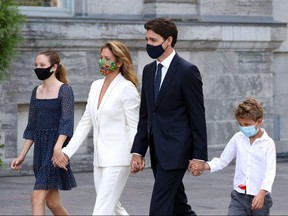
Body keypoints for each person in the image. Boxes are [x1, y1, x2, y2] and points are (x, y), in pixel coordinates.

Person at [130, 17, 208, 215]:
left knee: (159, 207)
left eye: (154, 41)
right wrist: (138, 151)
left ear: (169, 41)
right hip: (157, 150)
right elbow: (146, 115)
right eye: (147, 40)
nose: (149, 45)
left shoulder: (187, 71)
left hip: (177, 150)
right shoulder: (148, 71)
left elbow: (197, 116)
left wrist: (199, 156)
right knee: (178, 205)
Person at [52, 41, 140, 215]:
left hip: (119, 158)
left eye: (107, 59)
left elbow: (134, 126)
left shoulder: (126, 88)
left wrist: (137, 154)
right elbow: (85, 122)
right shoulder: (95, 86)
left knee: (101, 210)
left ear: (120, 62)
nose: (102, 62)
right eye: (101, 58)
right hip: (100, 159)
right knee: (113, 207)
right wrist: (67, 152)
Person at [10, 49, 77, 215]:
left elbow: (67, 122)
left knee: (37, 196)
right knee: (53, 203)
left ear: (53, 67)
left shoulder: (65, 90)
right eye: (36, 65)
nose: (37, 68)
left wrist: (58, 148)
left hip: (55, 151)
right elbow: (32, 126)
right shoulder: (36, 91)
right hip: (40, 150)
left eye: (42, 65)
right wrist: (21, 156)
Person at [190, 98, 276, 215]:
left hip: (260, 198)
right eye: (240, 124)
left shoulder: (268, 143)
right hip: (238, 198)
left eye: (247, 124)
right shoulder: (238, 138)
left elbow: (270, 172)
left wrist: (262, 193)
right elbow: (222, 161)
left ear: (259, 121)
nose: (243, 128)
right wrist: (204, 166)